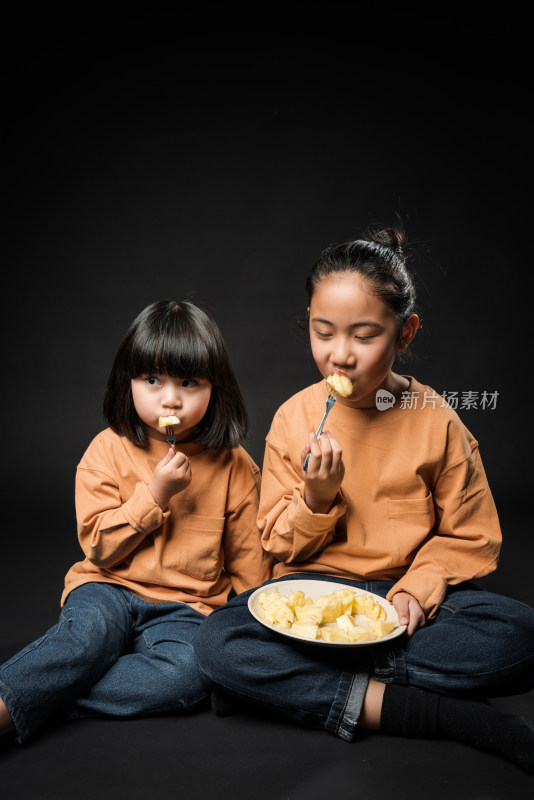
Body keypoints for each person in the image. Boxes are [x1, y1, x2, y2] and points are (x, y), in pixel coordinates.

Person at [194, 228, 534, 774]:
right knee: (217, 641)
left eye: (364, 335)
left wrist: (419, 591)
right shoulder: (294, 418)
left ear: (405, 333)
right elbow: (276, 541)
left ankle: (292, 685)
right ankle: (429, 711)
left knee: (518, 634)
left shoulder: (437, 420)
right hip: (315, 598)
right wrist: (316, 499)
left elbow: (470, 535)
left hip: (406, 605)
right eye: (322, 332)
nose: (339, 356)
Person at [0, 299, 272, 744]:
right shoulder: (105, 450)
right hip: (109, 586)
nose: (170, 398)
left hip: (188, 609)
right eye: (152, 380)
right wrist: (154, 495)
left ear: (215, 387)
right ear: (127, 384)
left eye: (189, 382)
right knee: (84, 642)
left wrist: (247, 633)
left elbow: (249, 569)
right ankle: (7, 705)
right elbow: (99, 548)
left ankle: (46, 699)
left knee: (187, 677)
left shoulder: (235, 466)